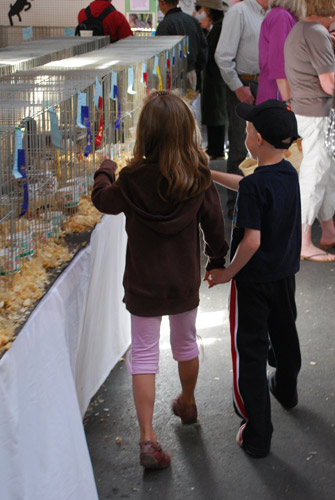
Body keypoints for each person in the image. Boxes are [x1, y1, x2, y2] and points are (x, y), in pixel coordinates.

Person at [91, 90, 229, 469]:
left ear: (145, 134)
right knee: (185, 342)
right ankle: (186, 402)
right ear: (187, 131)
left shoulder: (133, 179)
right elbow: (215, 227)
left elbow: (102, 199)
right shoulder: (198, 176)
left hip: (143, 283)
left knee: (145, 355)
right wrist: (216, 261)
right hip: (182, 281)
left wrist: (105, 167)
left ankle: (148, 437)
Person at [206, 100, 302, 458]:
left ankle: (257, 434)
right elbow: (249, 184)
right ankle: (287, 389)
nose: (244, 133)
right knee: (285, 335)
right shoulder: (288, 173)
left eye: (247, 130)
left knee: (249, 352)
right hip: (284, 277)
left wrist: (228, 272)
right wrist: (212, 174)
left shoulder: (254, 188)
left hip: (252, 283)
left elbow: (252, 240)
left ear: (257, 139)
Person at [284, 0, 335, 262]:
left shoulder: (301, 30)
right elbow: (329, 84)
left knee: (324, 172)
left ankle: (328, 231)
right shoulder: (317, 34)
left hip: (306, 110)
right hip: (317, 113)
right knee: (314, 175)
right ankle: (303, 242)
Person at [215, 0, 269, 217]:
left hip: (267, 86)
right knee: (240, 145)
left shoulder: (274, 13)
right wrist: (238, 88)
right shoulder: (239, 12)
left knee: (266, 147)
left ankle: (260, 200)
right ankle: (236, 203)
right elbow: (223, 57)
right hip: (244, 86)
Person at [256, 0, 306, 104]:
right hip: (278, 96)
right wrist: (288, 102)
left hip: (281, 94)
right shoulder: (281, 16)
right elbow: (279, 63)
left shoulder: (286, 16)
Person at [198, 0, 228, 159]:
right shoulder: (219, 25)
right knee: (215, 112)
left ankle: (216, 149)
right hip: (215, 78)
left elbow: (211, 54)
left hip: (216, 79)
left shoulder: (218, 27)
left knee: (216, 113)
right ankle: (215, 147)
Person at [156, 0, 208, 90]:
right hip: (191, 73)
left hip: (172, 76)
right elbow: (203, 49)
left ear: (162, 2)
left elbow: (160, 55)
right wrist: (195, 68)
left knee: (174, 103)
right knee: (189, 103)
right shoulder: (193, 21)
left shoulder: (165, 25)